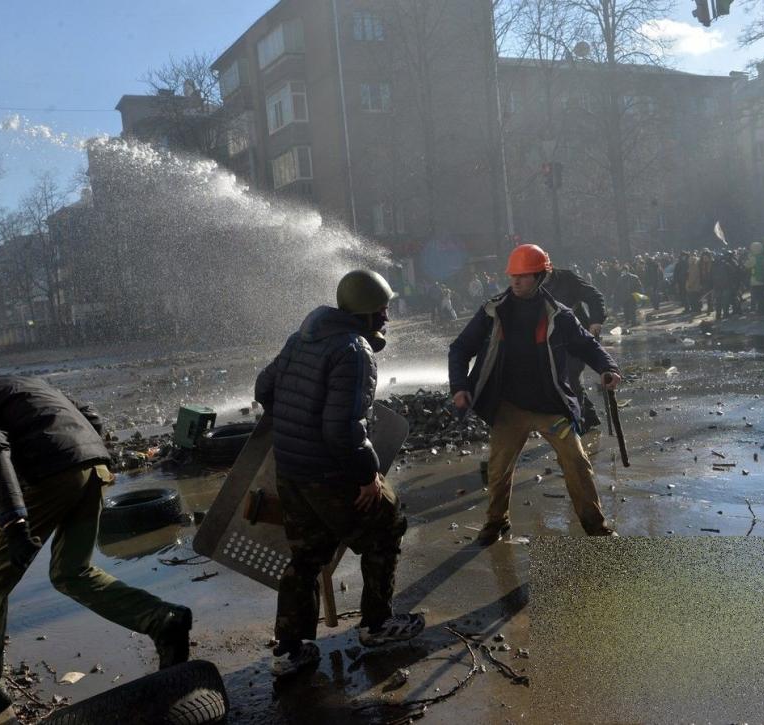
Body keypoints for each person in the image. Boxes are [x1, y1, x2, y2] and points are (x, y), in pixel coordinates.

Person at [0, 354, 193, 725]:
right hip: (93, 466)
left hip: (51, 475)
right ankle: (164, 620)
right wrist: (86, 457)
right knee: (71, 572)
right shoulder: (18, 383)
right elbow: (88, 413)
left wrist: (13, 520)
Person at [255, 269, 424, 678]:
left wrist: (299, 426)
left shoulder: (301, 339)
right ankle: (377, 625)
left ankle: (289, 651)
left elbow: (264, 389)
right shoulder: (354, 350)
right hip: (329, 473)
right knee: (387, 526)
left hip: (291, 471)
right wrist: (367, 477)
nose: (386, 317)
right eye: (381, 310)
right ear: (364, 313)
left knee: (307, 556)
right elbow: (342, 430)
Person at [448, 245, 622, 546]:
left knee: (577, 463)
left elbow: (586, 345)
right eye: (513, 276)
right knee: (499, 469)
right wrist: (459, 386)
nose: (516, 281)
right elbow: (460, 348)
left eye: (524, 276)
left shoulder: (559, 314)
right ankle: (497, 521)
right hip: (508, 406)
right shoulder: (493, 311)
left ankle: (596, 527)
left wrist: (608, 367)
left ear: (540, 276)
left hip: (550, 405)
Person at [542, 264, 608, 431]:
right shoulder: (530, 285)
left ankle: (577, 422)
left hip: (576, 334)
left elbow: (594, 296)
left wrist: (596, 321)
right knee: (561, 379)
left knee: (572, 376)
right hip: (552, 339)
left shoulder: (567, 278)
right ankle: (589, 416)